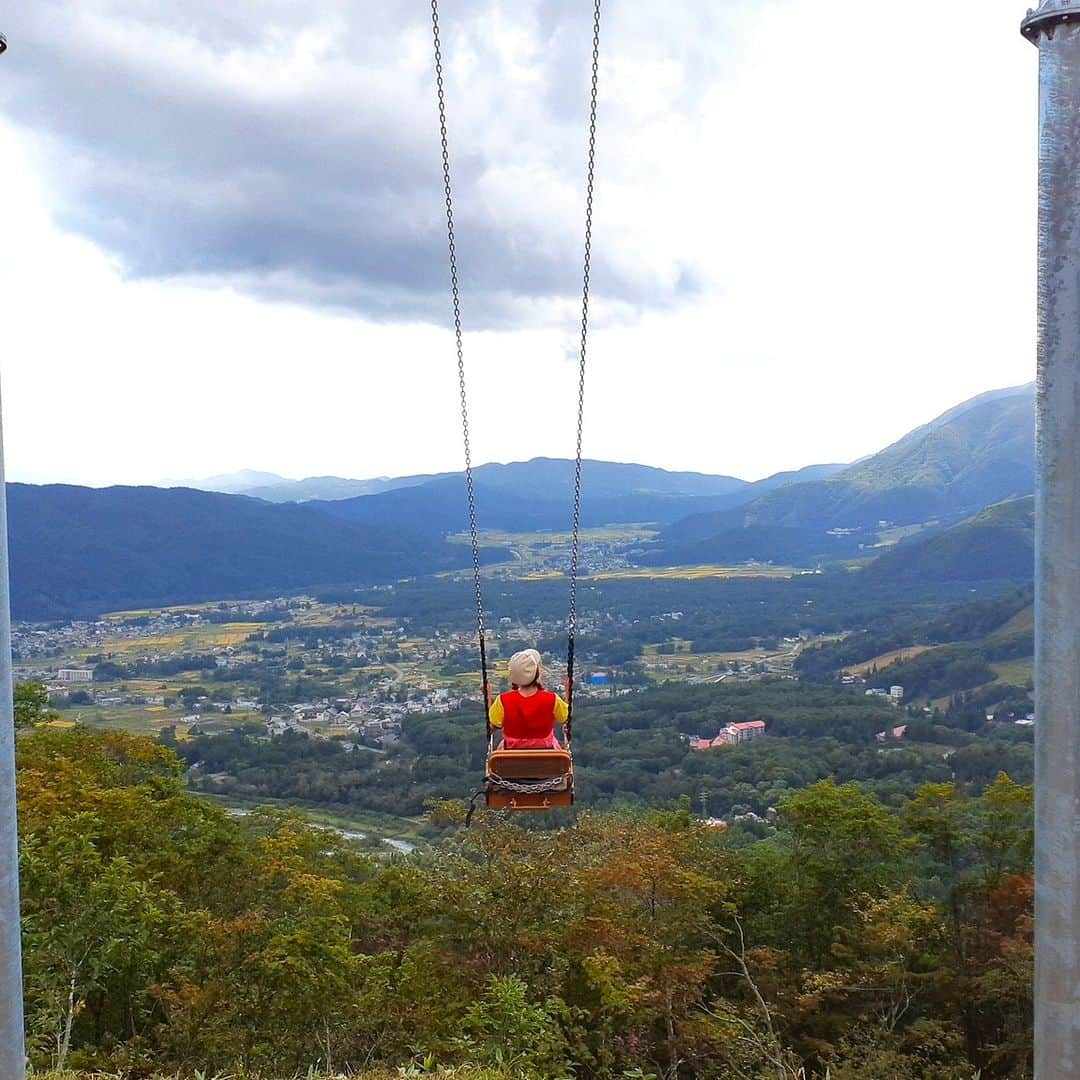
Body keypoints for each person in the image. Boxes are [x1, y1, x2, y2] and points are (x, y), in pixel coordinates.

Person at [487, 648, 571, 750]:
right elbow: (566, 717)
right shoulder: (551, 699)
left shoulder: (503, 701)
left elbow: (493, 725)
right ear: (537, 673)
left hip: (511, 759)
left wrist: (488, 695)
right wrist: (568, 691)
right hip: (546, 757)